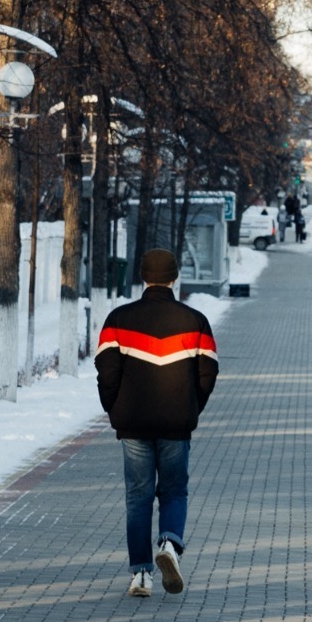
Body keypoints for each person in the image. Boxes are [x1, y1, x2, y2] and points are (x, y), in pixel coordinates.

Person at [96, 248, 219, 597]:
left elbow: (106, 372)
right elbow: (208, 372)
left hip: (132, 423)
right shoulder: (195, 321)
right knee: (174, 490)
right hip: (176, 424)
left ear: (142, 276)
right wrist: (191, 407)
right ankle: (169, 543)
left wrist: (115, 409)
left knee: (138, 498)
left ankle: (141, 575)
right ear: (175, 277)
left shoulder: (118, 319)